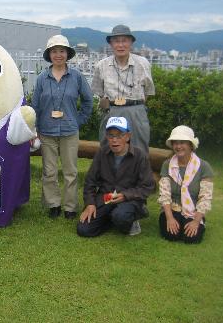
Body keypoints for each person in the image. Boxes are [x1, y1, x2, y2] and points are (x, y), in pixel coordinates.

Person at [32, 35, 93, 219]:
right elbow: (35, 106)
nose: (58, 55)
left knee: (70, 171)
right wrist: (35, 129)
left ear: (67, 54)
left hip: (69, 131)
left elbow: (88, 102)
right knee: (49, 171)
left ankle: (70, 207)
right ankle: (53, 204)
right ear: (49, 54)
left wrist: (78, 120)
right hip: (47, 131)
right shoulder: (42, 78)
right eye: (54, 51)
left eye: (62, 51)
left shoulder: (77, 77)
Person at [77, 117, 155, 237]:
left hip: (129, 200)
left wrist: (125, 196)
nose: (114, 140)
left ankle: (132, 217)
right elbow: (90, 181)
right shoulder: (101, 153)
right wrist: (90, 204)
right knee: (84, 230)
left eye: (119, 135)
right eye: (111, 135)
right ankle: (111, 218)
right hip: (105, 198)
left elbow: (148, 186)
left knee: (121, 217)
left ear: (128, 136)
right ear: (107, 137)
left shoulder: (140, 156)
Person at [91, 24, 155, 154]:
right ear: (111, 44)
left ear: (131, 42)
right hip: (112, 110)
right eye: (116, 41)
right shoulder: (101, 66)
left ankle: (138, 174)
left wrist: (135, 107)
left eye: (124, 41)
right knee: (108, 149)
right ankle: (108, 175)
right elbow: (99, 93)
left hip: (136, 111)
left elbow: (147, 92)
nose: (121, 45)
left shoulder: (143, 63)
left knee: (139, 151)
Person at [158, 126, 214, 244]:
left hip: (193, 212)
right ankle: (174, 221)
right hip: (172, 209)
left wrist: (195, 221)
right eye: (175, 143)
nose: (178, 146)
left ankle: (198, 222)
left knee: (191, 238)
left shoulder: (204, 167)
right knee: (171, 235)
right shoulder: (167, 165)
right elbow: (165, 194)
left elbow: (205, 197)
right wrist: (169, 218)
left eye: (182, 142)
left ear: (190, 145)